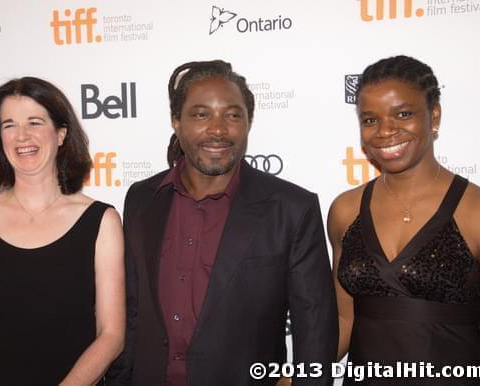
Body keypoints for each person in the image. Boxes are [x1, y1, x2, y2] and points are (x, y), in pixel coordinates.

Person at [106, 60, 337, 386]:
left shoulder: (292, 209)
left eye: (232, 115)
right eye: (201, 114)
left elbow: (314, 331)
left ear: (248, 123)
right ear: (176, 121)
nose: (218, 129)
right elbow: (131, 312)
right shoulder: (142, 199)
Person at [0, 77, 125, 386]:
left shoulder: (101, 221)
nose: (22, 136)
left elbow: (111, 334)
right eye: (8, 125)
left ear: (61, 133)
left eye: (35, 122)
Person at [328, 55, 480, 385]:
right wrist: (296, 372)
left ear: (434, 115)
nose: (385, 131)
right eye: (370, 119)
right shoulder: (345, 210)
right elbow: (344, 322)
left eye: (403, 114)